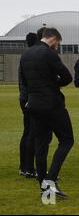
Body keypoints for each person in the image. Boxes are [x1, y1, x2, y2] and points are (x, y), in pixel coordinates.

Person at [20, 27, 74, 198]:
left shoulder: (26, 54)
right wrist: (53, 82)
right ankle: (49, 181)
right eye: (57, 43)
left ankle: (43, 185)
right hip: (52, 104)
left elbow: (25, 81)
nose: (57, 46)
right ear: (54, 39)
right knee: (66, 140)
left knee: (41, 145)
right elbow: (67, 77)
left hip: (33, 104)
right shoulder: (49, 54)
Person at [18, 33, 38, 178]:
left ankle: (23, 166)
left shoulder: (24, 56)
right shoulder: (32, 57)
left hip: (24, 97)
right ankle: (29, 167)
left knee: (27, 133)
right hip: (29, 98)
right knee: (32, 134)